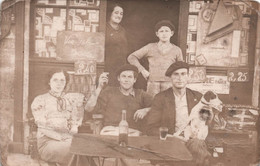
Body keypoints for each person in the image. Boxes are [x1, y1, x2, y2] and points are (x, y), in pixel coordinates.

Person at [31, 69, 95, 166]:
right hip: (48, 142)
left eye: (62, 80)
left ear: (66, 83)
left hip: (67, 140)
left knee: (85, 149)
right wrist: (61, 137)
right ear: (49, 82)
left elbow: (74, 124)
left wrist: (71, 133)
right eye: (55, 80)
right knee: (76, 151)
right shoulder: (40, 100)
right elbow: (42, 127)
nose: (59, 83)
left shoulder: (70, 100)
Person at [85, 64, 153, 134]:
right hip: (111, 131)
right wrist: (99, 87)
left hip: (132, 132)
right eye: (123, 76)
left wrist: (146, 110)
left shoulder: (141, 94)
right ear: (118, 78)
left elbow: (158, 106)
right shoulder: (109, 92)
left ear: (134, 80)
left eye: (130, 77)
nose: (126, 80)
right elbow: (88, 108)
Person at [128, 20, 183, 97]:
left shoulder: (177, 50)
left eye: (167, 31)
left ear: (172, 33)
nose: (164, 33)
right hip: (152, 84)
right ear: (157, 34)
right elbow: (131, 57)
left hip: (169, 84)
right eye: (161, 31)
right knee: (152, 105)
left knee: (167, 106)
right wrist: (142, 70)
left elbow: (181, 68)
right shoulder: (150, 47)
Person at [105, 2, 128, 86]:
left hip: (119, 67)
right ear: (110, 13)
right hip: (106, 67)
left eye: (121, 14)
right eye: (116, 12)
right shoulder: (104, 28)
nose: (119, 16)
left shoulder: (122, 30)